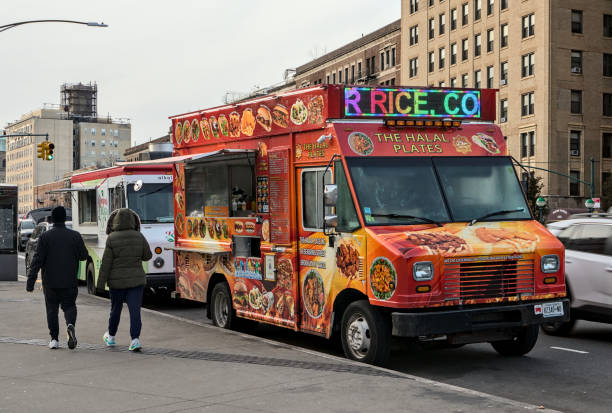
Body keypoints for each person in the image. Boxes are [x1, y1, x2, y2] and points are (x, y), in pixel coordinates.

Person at [26, 206, 88, 350]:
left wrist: (30, 282)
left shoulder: (45, 237)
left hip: (50, 282)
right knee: (70, 306)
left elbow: (37, 260)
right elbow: (84, 256)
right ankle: (70, 324)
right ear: (65, 219)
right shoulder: (75, 236)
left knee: (51, 309)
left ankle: (54, 339)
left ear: (52, 220)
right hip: (70, 280)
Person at [97, 208, 152, 351]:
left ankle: (111, 336)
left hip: (117, 283)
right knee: (135, 311)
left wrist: (100, 284)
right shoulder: (139, 236)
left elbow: (106, 263)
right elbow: (148, 255)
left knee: (115, 310)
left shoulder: (112, 238)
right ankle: (135, 340)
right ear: (133, 221)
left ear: (116, 221)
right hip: (136, 281)